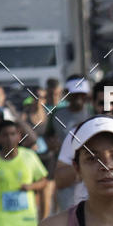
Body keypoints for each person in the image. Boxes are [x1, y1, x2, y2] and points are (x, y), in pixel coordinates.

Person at [54, 81, 113, 204]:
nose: (108, 108)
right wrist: (85, 167)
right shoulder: (77, 135)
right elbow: (59, 180)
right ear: (93, 103)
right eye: (102, 103)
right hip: (88, 216)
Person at [45, 76, 91, 211]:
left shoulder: (93, 112)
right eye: (74, 95)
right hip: (65, 170)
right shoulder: (57, 114)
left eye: (81, 95)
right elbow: (48, 136)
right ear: (67, 94)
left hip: (89, 170)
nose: (78, 99)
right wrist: (52, 144)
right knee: (70, 215)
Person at [23, 89, 56, 219]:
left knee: (47, 192)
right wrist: (28, 143)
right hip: (32, 159)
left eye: (41, 97)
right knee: (35, 193)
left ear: (45, 99)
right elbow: (19, 137)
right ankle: (35, 222)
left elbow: (55, 134)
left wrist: (51, 143)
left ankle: (44, 221)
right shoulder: (25, 116)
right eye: (36, 97)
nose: (38, 100)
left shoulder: (50, 115)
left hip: (48, 157)